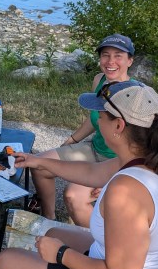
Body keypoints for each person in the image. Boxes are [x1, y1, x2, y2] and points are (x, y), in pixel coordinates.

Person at [0, 80, 158, 269]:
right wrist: (39, 161)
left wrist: (62, 254)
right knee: (51, 234)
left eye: (100, 116)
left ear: (118, 126)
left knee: (6, 263)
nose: (97, 121)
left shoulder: (126, 193)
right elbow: (90, 170)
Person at [31, 34, 135, 225]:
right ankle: (49, 221)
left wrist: (112, 182)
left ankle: (94, 245)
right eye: (105, 55)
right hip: (93, 149)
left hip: (118, 163)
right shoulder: (99, 80)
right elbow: (95, 117)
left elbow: (144, 149)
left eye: (118, 55)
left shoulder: (136, 95)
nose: (110, 61)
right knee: (39, 164)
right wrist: (72, 140)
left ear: (130, 60)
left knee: (72, 195)